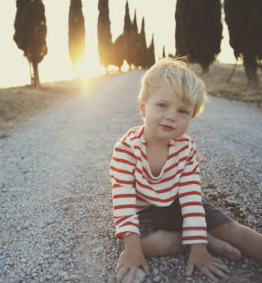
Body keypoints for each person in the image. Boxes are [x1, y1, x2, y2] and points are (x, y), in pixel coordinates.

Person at [109, 58, 262, 283]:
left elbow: (191, 199)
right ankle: (202, 239)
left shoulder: (186, 147)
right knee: (141, 244)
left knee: (231, 228)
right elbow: (123, 201)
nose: (172, 116)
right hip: (143, 211)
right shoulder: (126, 148)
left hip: (177, 204)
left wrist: (198, 249)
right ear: (143, 107)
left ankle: (201, 237)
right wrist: (132, 249)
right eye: (162, 105)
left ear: (191, 116)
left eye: (182, 111)